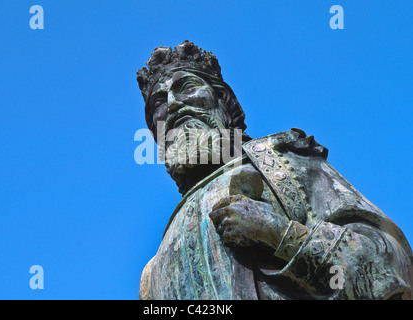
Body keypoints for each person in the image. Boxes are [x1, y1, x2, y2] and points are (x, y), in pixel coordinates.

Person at [136, 40, 413, 299]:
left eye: (186, 87)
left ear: (223, 102)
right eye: (158, 103)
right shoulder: (153, 270)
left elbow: (390, 263)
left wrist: (280, 234)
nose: (173, 105)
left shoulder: (281, 160)